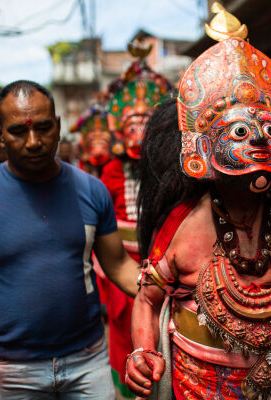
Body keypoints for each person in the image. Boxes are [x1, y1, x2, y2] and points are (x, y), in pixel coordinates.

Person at [125, 5, 271, 399]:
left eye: (270, 130)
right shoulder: (183, 225)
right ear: (204, 148)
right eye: (239, 131)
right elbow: (147, 300)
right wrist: (143, 350)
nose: (258, 141)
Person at [0, 80, 140, 399]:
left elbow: (119, 264)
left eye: (43, 128)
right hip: (14, 373)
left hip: (88, 361)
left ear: (57, 126)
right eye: (17, 131)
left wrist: (166, 286)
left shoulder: (91, 191)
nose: (33, 142)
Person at [98, 46, 172, 396]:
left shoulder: (167, 168)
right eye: (132, 122)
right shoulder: (110, 171)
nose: (139, 130)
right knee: (124, 339)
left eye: (146, 122)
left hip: (163, 269)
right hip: (121, 272)